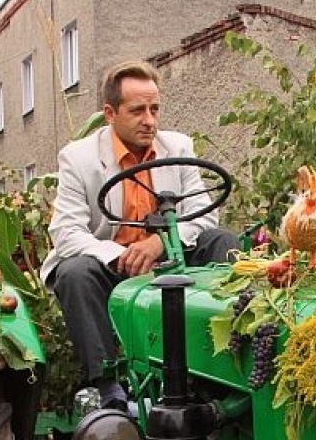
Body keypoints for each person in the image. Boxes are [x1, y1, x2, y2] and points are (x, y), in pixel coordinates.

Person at [41, 60, 239, 411]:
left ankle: (220, 369)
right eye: (137, 111)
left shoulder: (176, 147)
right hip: (112, 265)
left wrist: (157, 243)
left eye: (155, 109)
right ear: (109, 113)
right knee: (74, 273)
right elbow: (67, 231)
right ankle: (108, 389)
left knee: (223, 243)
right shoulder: (79, 158)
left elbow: (204, 214)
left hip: (167, 256)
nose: (149, 120)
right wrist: (118, 253)